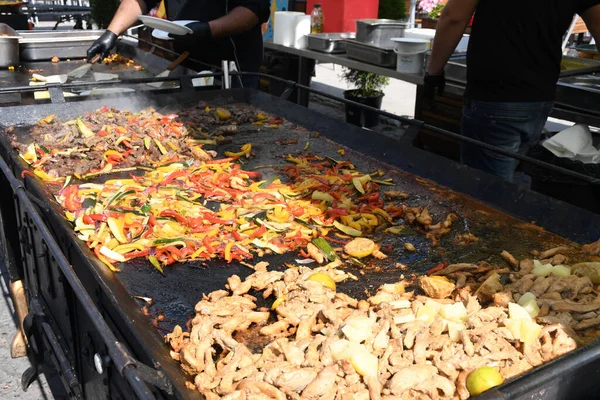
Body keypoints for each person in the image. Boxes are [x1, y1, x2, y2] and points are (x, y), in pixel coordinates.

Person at [424, 0, 600, 181]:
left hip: (496, 97)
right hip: (540, 98)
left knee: (485, 193)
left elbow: (454, 17)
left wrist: (433, 73)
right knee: (505, 184)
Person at [87, 0, 271, 88]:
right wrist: (112, 32)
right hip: (188, 64)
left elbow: (253, 11)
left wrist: (207, 30)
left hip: (232, 71)